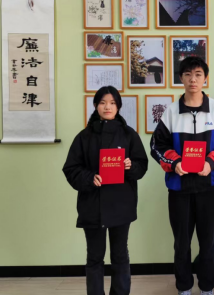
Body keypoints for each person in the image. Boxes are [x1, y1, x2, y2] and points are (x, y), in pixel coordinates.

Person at [151, 56, 214, 295]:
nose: (193, 79)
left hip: (210, 187)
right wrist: (174, 163)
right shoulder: (171, 112)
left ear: (205, 78)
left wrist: (211, 163)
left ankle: (207, 288)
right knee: (181, 243)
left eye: (198, 74)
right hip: (179, 189)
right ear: (181, 78)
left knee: (208, 242)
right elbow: (157, 146)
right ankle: (184, 287)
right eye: (188, 74)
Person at [63, 86, 148, 295]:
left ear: (118, 106)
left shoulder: (129, 134)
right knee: (94, 257)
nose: (107, 107)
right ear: (95, 105)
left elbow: (142, 165)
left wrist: (130, 166)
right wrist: (90, 178)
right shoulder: (84, 137)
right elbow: (71, 169)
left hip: (121, 204)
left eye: (112, 103)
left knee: (120, 255)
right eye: (102, 103)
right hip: (92, 205)